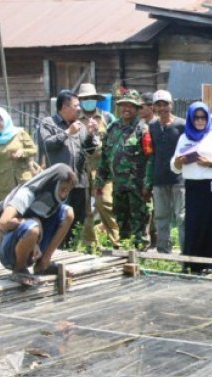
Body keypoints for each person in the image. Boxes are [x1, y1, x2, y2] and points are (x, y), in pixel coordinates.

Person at [170, 102, 212, 273]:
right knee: (193, 223)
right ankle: (193, 263)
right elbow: (174, 166)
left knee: (211, 223)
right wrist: (179, 161)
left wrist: (211, 163)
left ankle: (211, 263)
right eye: (196, 117)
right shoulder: (184, 137)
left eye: (203, 117)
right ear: (190, 118)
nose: (200, 121)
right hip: (193, 187)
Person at [0, 163, 77, 286]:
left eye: (68, 191)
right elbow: (3, 223)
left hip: (34, 245)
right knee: (33, 228)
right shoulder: (27, 193)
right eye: (62, 189)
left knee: (68, 213)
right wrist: (32, 223)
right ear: (54, 184)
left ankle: (43, 264)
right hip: (9, 250)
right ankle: (19, 269)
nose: (64, 194)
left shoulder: (53, 198)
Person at [39, 89, 98, 245]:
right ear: (65, 107)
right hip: (59, 184)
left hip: (80, 181)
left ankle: (72, 247)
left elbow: (89, 151)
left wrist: (91, 135)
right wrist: (67, 133)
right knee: (60, 218)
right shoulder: (47, 123)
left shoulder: (80, 126)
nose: (80, 108)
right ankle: (56, 249)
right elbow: (47, 146)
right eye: (76, 105)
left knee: (77, 219)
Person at [95, 90, 150, 249]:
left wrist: (148, 184)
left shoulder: (142, 129)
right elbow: (105, 157)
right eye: (124, 105)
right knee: (121, 219)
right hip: (118, 185)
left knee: (139, 219)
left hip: (137, 186)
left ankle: (141, 252)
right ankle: (125, 250)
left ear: (137, 108)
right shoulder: (112, 128)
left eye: (131, 106)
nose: (127, 109)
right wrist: (99, 181)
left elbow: (150, 158)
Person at [77, 83, 120, 247]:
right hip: (82, 169)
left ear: (96, 100)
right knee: (86, 208)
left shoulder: (107, 118)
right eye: (84, 99)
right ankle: (90, 244)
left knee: (105, 203)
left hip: (103, 169)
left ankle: (116, 241)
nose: (88, 101)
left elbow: (115, 140)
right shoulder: (74, 120)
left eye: (91, 98)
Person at [145, 89, 186, 254]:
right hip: (159, 178)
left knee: (182, 217)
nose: (162, 108)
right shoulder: (152, 126)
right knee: (161, 216)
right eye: (158, 105)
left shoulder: (182, 125)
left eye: (165, 104)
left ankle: (186, 250)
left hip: (180, 178)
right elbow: (151, 154)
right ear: (154, 107)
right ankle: (163, 250)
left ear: (172, 105)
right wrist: (148, 181)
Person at [0, 107, 38, 204]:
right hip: (5, 184)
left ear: (6, 119)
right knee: (6, 212)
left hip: (24, 180)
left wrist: (22, 152)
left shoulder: (19, 133)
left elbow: (34, 149)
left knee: (27, 211)